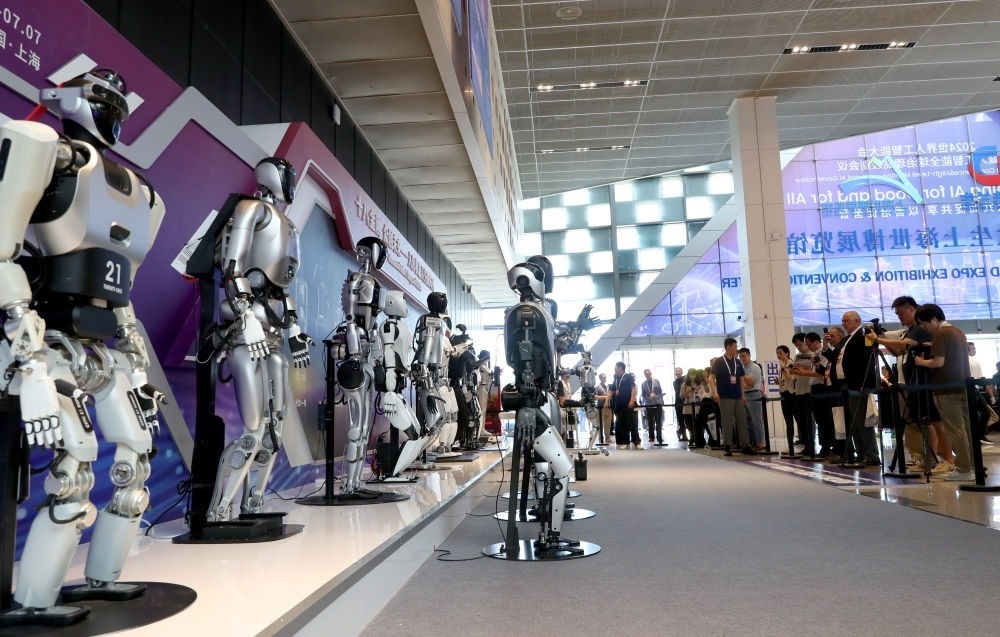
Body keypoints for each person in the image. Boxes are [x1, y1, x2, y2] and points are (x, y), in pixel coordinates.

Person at [2, 69, 167, 622]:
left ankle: (103, 577)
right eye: (103, 99)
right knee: (74, 471)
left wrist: (136, 358)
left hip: (102, 347)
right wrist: (28, 359)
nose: (113, 111)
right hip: (44, 342)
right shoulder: (45, 151)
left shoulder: (142, 195)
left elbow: (120, 289)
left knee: (134, 464)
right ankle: (34, 602)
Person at [206, 157, 314, 520]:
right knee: (253, 431)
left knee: (273, 432)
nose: (291, 181)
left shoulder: (289, 225)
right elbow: (232, 268)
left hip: (272, 336)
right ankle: (220, 510)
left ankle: (253, 502)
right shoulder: (251, 210)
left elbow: (282, 288)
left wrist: (294, 330)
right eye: (287, 175)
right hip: (245, 333)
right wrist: (245, 315)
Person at [913, 303, 974, 481]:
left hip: (946, 388)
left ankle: (963, 470)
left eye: (925, 324)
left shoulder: (941, 334)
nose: (925, 328)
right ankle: (971, 465)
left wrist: (920, 362)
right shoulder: (957, 331)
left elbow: (938, 362)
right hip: (963, 386)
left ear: (934, 319)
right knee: (966, 428)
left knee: (954, 430)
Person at [830, 311, 880, 466]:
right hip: (846, 384)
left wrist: (864, 381)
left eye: (846, 320)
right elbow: (835, 358)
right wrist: (826, 348)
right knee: (852, 422)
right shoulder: (846, 339)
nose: (843, 323)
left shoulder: (863, 335)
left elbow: (867, 359)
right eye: (842, 321)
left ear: (857, 320)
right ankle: (861, 453)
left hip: (858, 384)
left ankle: (871, 454)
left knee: (861, 421)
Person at [710, 338, 754, 456]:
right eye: (735, 346)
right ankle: (727, 446)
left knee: (742, 420)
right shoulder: (719, 361)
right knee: (727, 421)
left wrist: (743, 395)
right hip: (725, 396)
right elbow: (711, 378)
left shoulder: (737, 362)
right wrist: (715, 392)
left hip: (737, 395)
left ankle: (745, 445)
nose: (736, 349)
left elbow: (741, 379)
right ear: (728, 347)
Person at [738, 348, 766, 451]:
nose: (742, 358)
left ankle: (761, 443)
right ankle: (753, 442)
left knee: (756, 420)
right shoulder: (741, 368)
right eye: (740, 357)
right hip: (744, 396)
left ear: (749, 355)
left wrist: (741, 385)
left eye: (744, 356)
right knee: (747, 422)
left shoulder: (755, 367)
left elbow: (750, 384)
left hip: (754, 395)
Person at [611, 361, 640, 449]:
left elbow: (633, 388)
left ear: (620, 368)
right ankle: (625, 442)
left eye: (616, 367)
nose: (614, 368)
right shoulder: (616, 377)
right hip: (619, 405)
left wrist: (632, 400)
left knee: (632, 423)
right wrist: (607, 400)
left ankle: (637, 442)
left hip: (628, 404)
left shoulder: (628, 377)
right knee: (622, 424)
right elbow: (612, 390)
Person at [776, 345, 798, 455]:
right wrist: (778, 382)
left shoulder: (790, 363)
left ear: (787, 353)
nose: (778, 355)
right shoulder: (782, 365)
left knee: (794, 420)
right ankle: (790, 446)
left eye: (780, 353)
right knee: (788, 421)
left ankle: (800, 445)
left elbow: (792, 378)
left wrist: (784, 370)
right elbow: (784, 381)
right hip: (784, 394)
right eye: (777, 353)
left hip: (791, 395)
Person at [641, 368, 665, 444]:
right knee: (650, 422)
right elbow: (643, 395)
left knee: (659, 421)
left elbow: (660, 392)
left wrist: (656, 396)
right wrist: (649, 397)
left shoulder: (656, 381)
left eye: (648, 373)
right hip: (649, 404)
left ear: (651, 373)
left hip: (657, 403)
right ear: (644, 375)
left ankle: (659, 436)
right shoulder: (643, 384)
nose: (647, 374)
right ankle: (651, 437)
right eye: (646, 374)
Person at [672, 367, 688, 441]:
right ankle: (684, 436)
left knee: (687, 420)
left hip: (685, 402)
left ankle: (683, 433)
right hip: (678, 403)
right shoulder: (674, 382)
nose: (678, 372)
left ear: (682, 372)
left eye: (679, 371)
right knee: (680, 420)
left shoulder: (686, 380)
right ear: (675, 373)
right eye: (676, 371)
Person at [595, 372, 611, 445]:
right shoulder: (597, 387)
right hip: (600, 408)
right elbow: (595, 397)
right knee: (600, 424)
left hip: (609, 407)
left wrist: (608, 397)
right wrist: (605, 397)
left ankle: (608, 437)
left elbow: (610, 396)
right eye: (603, 377)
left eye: (605, 377)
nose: (605, 378)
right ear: (600, 378)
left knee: (608, 424)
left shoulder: (608, 387)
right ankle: (600, 437)